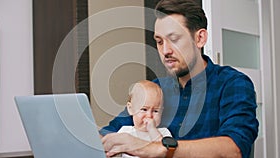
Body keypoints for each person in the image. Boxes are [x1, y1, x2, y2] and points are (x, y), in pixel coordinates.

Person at [101, 0, 259, 158]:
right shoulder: (155, 90)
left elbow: (234, 148)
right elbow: (107, 135)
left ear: (200, 38)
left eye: (174, 39)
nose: (165, 51)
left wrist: (160, 149)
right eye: (159, 42)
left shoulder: (232, 83)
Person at [117, 80, 172, 158]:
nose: (149, 116)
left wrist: (152, 130)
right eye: (144, 109)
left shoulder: (164, 133)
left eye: (155, 111)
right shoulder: (125, 132)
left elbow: (165, 152)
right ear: (130, 109)